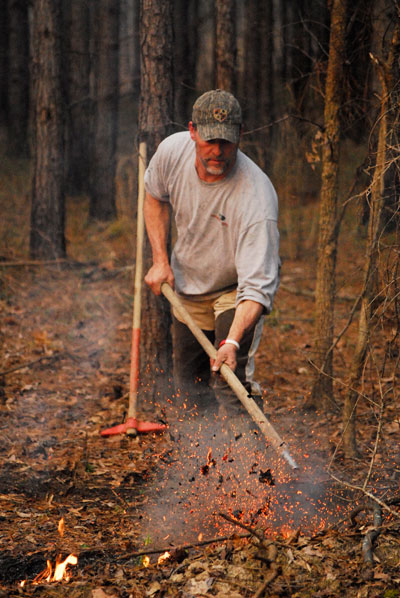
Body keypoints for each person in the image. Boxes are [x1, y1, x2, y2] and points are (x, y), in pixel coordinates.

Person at [143, 89, 280, 430]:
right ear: (192, 131)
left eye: (227, 142)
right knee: (191, 387)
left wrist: (231, 341)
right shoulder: (171, 153)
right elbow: (154, 197)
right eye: (209, 141)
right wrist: (160, 259)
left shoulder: (256, 198)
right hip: (188, 285)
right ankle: (201, 467)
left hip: (235, 288)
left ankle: (253, 470)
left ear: (240, 136)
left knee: (230, 381)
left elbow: (256, 290)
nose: (217, 151)